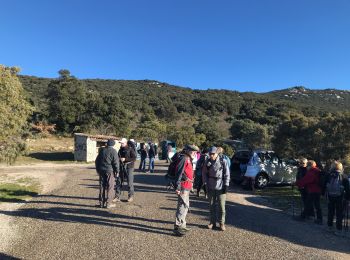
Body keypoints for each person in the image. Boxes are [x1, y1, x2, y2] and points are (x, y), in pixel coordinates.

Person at [202, 146, 230, 231]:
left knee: (222, 206)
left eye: (213, 154)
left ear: (217, 153)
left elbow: (227, 174)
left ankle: (221, 223)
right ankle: (212, 222)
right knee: (211, 206)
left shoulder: (223, 161)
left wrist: (226, 185)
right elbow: (204, 173)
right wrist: (204, 184)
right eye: (210, 154)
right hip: (210, 186)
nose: (211, 155)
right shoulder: (207, 162)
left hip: (221, 186)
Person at [173, 144, 199, 236]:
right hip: (183, 186)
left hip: (186, 186)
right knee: (183, 206)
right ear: (187, 150)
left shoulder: (188, 158)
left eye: (195, 152)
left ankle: (180, 225)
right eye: (192, 151)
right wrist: (178, 187)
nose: (194, 153)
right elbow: (178, 173)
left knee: (184, 206)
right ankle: (179, 227)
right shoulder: (184, 159)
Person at [325, 161, 350, 233]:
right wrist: (348, 198)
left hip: (330, 196)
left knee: (330, 211)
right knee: (339, 212)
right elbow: (348, 189)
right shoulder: (344, 176)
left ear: (332, 167)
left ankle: (329, 226)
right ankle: (339, 228)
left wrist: (323, 193)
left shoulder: (329, 175)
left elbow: (324, 184)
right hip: (340, 197)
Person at [296, 160, 323, 224]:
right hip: (318, 190)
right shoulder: (318, 171)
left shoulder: (311, 172)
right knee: (317, 205)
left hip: (313, 190)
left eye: (307, 166)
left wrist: (296, 183)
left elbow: (305, 180)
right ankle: (319, 219)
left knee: (308, 204)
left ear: (310, 166)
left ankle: (303, 216)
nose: (307, 167)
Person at [95, 139, 119, 209]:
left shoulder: (102, 150)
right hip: (110, 171)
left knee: (102, 186)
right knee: (110, 187)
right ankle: (108, 203)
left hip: (101, 171)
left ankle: (101, 203)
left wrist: (97, 170)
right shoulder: (113, 151)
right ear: (113, 144)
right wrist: (117, 171)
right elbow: (116, 163)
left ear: (107, 144)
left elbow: (97, 161)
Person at [115, 138, 137, 202]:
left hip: (129, 167)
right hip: (121, 167)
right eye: (120, 143)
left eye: (122, 143)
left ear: (126, 143)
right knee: (118, 181)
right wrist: (119, 160)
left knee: (129, 182)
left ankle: (130, 196)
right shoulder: (120, 150)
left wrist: (125, 159)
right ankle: (117, 196)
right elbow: (117, 157)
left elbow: (134, 158)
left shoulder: (130, 149)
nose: (121, 144)